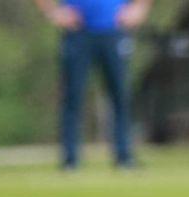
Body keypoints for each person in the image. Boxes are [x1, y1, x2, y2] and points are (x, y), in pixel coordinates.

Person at [31, 0, 152, 170]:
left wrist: (140, 7)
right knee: (72, 97)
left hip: (114, 30)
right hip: (77, 32)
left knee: (121, 96)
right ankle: (70, 160)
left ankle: (124, 157)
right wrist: (53, 12)